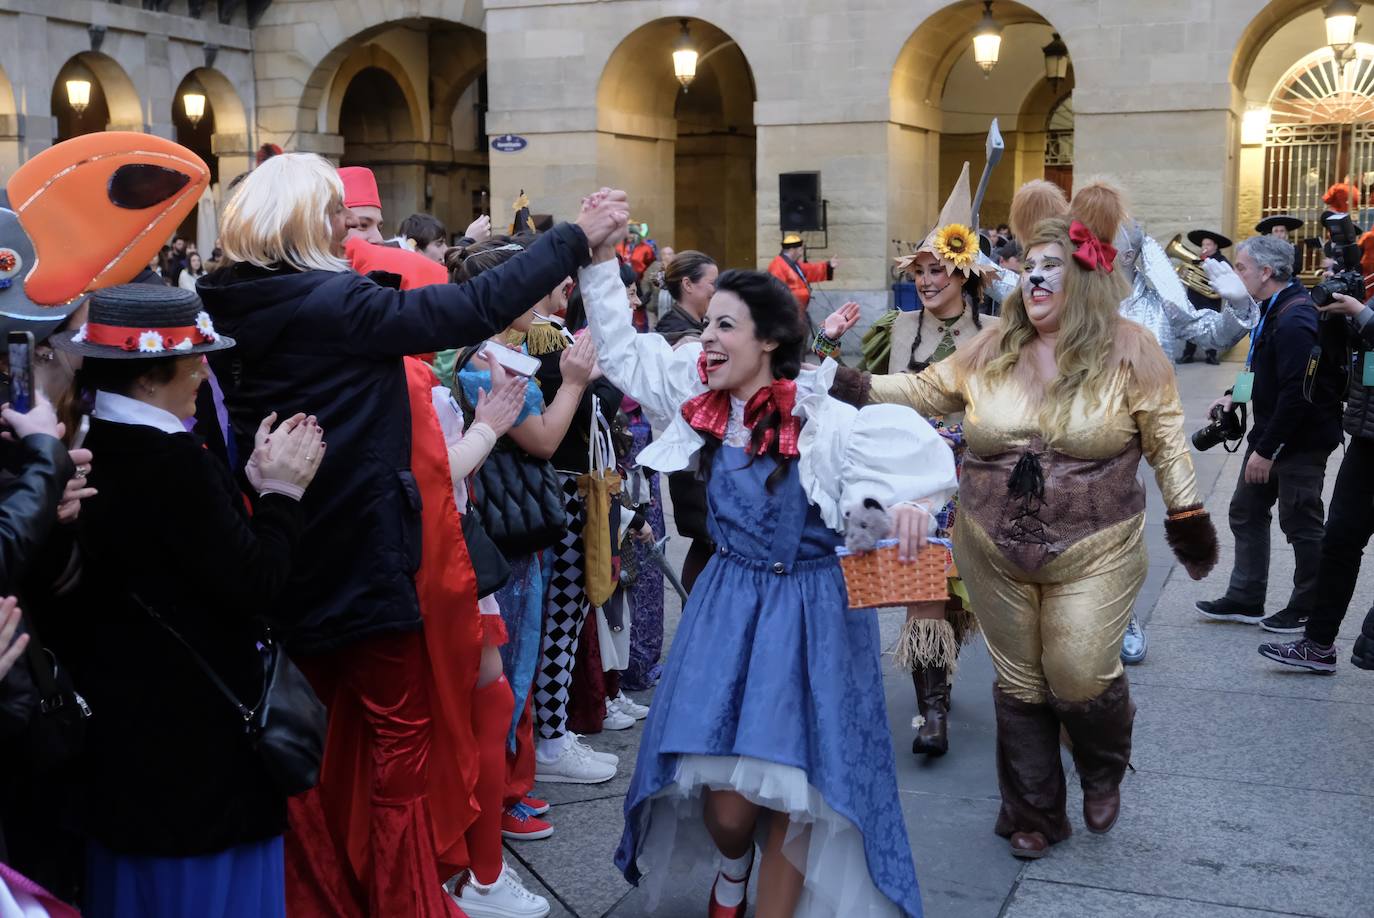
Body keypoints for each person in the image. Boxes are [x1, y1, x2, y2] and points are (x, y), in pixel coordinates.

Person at [197, 152, 627, 916]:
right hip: (361, 561)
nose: (344, 226)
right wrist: (571, 239)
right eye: (335, 213)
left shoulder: (230, 305)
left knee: (315, 754)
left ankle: (333, 897)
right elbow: (459, 312)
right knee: (400, 751)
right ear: (302, 221)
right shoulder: (324, 304)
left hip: (291, 551)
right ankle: (406, 903)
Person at [581, 217, 954, 917]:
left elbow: (905, 481)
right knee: (728, 811)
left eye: (726, 326)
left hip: (811, 612)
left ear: (770, 340)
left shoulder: (826, 419)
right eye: (709, 322)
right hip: (726, 602)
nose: (708, 339)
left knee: (795, 784)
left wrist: (909, 510)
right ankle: (732, 873)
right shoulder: (703, 398)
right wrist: (600, 262)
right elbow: (626, 356)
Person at [836, 180, 1217, 859]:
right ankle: (1034, 814)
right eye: (1030, 267)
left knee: (1077, 671)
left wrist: (1187, 513)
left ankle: (1101, 765)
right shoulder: (992, 349)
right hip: (991, 544)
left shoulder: (1132, 351)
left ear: (1089, 277)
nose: (1035, 278)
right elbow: (926, 389)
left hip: (1095, 545)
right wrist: (847, 382)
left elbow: (1163, 437)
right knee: (1019, 682)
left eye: (1052, 267)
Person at [49, 283, 325, 918]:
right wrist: (283, 495)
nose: (206, 369)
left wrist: (244, 487)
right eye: (194, 357)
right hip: (195, 758)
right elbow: (256, 583)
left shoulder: (91, 444)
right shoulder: (171, 459)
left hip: (125, 743)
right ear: (149, 379)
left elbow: (176, 556)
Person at [817, 162, 999, 758]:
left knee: (960, 593)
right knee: (920, 585)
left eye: (936, 268)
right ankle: (933, 712)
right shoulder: (897, 329)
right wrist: (825, 348)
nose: (925, 279)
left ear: (964, 273)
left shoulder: (997, 332)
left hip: (977, 478)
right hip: (908, 476)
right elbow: (864, 389)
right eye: (918, 270)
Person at [1195, 234, 1343, 634]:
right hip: (1274, 431)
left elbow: (1299, 394)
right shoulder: (1273, 308)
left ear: (1265, 272)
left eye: (1241, 267)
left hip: (1300, 438)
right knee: (1246, 510)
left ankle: (1308, 607)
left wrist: (1266, 450)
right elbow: (1260, 366)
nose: (1236, 274)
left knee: (1301, 522)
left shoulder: (1295, 318)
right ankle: (1246, 597)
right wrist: (1233, 396)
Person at [1259, 290, 1374, 672]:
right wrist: (1343, 319)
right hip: (1366, 437)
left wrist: (1361, 313)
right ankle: (1318, 644)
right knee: (1339, 539)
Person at [654, 251, 721, 594]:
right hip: (695, 458)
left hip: (696, 457)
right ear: (687, 284)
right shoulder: (681, 337)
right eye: (712, 283)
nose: (717, 290)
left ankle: (697, 622)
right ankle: (695, 621)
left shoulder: (691, 329)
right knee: (708, 541)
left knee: (707, 543)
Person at [1177, 229, 1232, 365]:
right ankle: (1188, 354)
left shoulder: (1222, 261)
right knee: (1192, 326)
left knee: (1212, 326)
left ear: (1215, 246)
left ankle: (1211, 355)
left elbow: (1228, 277)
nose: (1204, 248)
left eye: (1208, 245)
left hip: (1210, 300)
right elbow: (1187, 274)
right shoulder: (1196, 259)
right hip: (1195, 298)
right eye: (1203, 245)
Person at [768, 233, 836, 318]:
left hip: (797, 310)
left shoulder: (794, 264)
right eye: (800, 249)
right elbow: (777, 291)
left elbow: (810, 269)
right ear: (792, 250)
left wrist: (828, 266)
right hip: (787, 312)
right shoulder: (777, 265)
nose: (801, 252)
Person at [1257, 214, 1305, 279]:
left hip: (1289, 280)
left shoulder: (1294, 248)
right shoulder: (1266, 249)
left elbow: (1297, 268)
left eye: (1282, 231)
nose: (1279, 234)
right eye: (1276, 231)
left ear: (1286, 233)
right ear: (1272, 234)